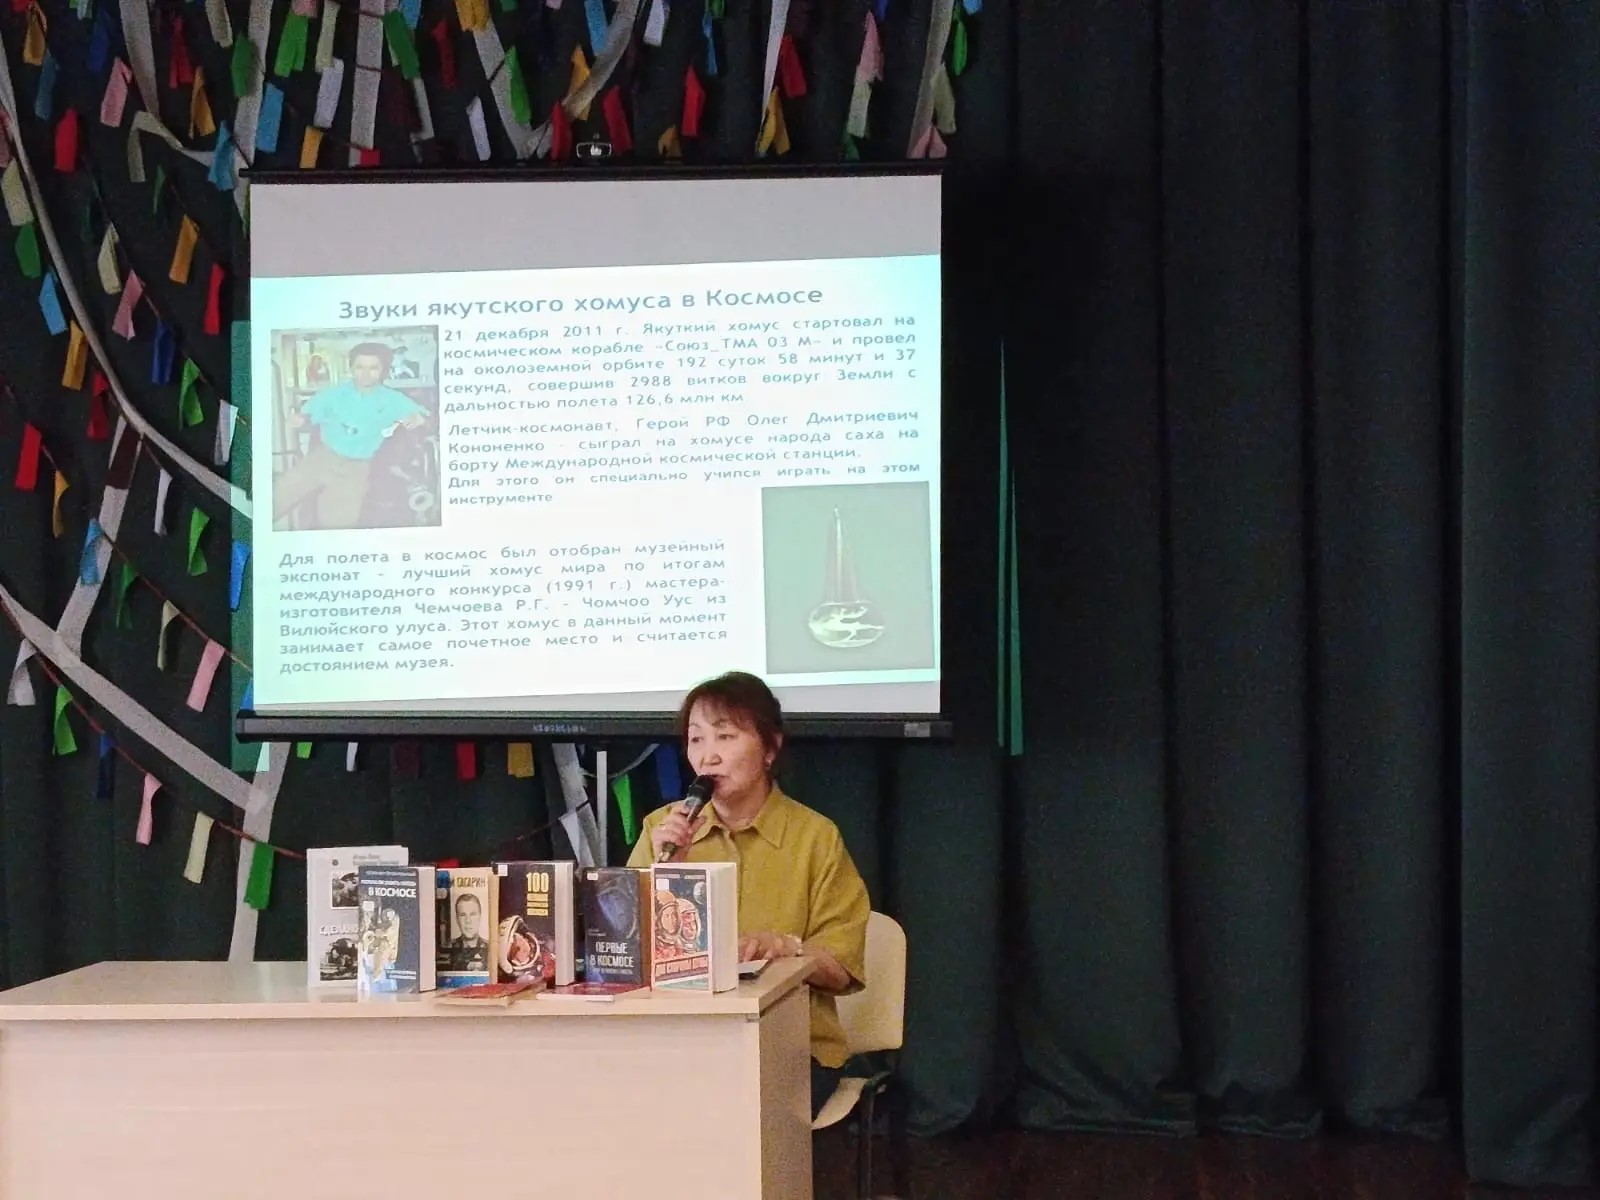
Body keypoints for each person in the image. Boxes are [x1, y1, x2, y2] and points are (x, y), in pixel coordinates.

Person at [628, 671, 871, 1120]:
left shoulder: (815, 837)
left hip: (790, 1045)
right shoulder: (662, 831)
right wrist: (670, 870)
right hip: (680, 1038)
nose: (708, 756)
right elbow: (623, 951)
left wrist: (786, 947)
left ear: (770, 748)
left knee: (719, 1111)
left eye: (725, 736)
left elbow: (841, 967)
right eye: (696, 739)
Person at [272, 341, 427, 530]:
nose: (366, 373)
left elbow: (425, 417)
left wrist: (418, 418)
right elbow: (308, 415)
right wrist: (300, 419)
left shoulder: (394, 400)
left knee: (337, 525)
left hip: (355, 470)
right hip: (322, 458)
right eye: (360, 367)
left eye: (373, 368)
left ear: (383, 370)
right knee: (277, 497)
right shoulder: (333, 394)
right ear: (351, 368)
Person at [448, 892, 490, 973]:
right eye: (463, 915)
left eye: (473, 914)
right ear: (457, 919)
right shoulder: (448, 950)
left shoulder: (490, 948)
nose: (468, 921)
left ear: (480, 917)